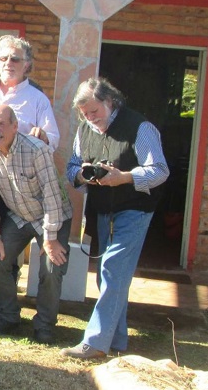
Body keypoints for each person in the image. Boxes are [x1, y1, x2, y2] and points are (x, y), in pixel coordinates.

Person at [60, 77, 169, 360]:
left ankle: (95, 343)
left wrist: (124, 178)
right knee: (110, 276)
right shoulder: (85, 131)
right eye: (84, 114)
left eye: (94, 111)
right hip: (101, 210)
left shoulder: (140, 127)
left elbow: (159, 170)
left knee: (112, 269)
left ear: (111, 101)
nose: (90, 118)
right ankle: (117, 339)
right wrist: (83, 174)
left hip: (135, 209)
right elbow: (72, 168)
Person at [0, 34, 61, 320]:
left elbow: (53, 139)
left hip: (28, 186)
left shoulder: (37, 98)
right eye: (4, 58)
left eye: (16, 59)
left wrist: (42, 137)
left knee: (14, 254)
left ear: (27, 65)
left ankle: (8, 310)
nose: (9, 63)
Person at [0, 104, 72, 344]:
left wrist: (50, 239)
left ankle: (45, 326)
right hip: (18, 215)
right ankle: (8, 317)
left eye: (0, 124)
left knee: (51, 265)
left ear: (15, 127)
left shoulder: (37, 150)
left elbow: (52, 196)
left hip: (52, 216)